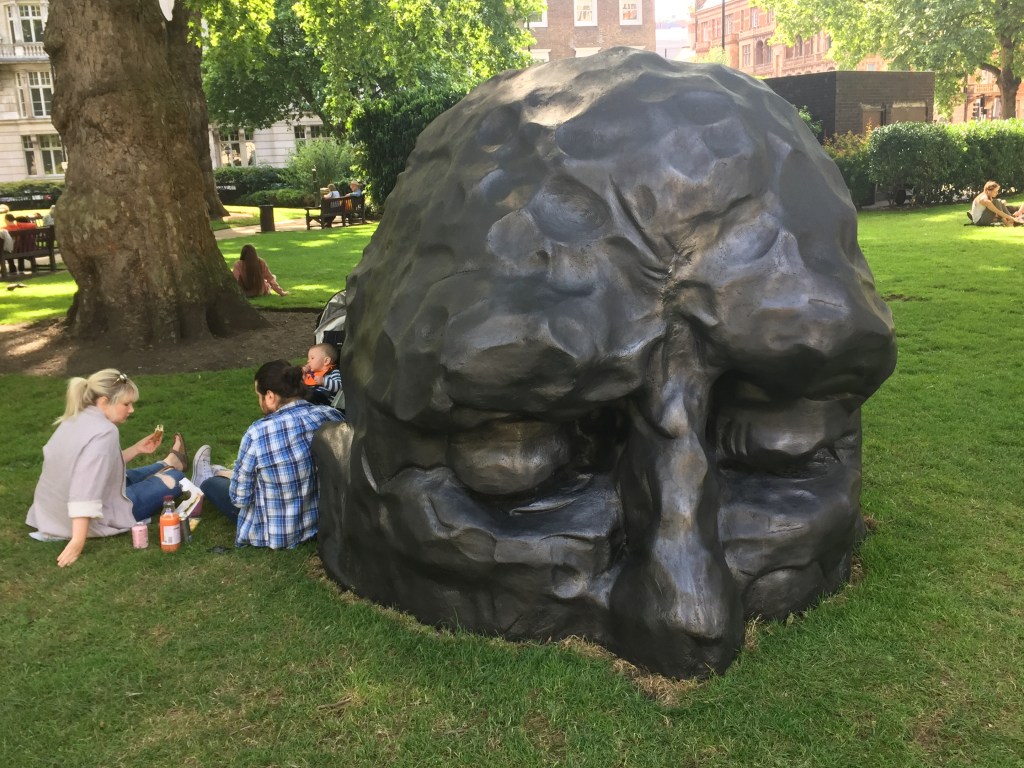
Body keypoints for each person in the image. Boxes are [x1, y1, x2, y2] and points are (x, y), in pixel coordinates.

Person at [25, 369, 189, 567]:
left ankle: (166, 463)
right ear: (104, 402)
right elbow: (84, 489)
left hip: (52, 512)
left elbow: (99, 465)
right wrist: (77, 541)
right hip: (85, 515)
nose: (131, 410)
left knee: (127, 475)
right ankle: (172, 467)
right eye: (126, 404)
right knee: (177, 479)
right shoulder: (105, 432)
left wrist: (136, 449)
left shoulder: (75, 417)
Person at [192, 359, 344, 549]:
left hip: (278, 534)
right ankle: (221, 472)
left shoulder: (257, 433)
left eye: (259, 395)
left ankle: (209, 476)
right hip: (320, 525)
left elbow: (240, 498)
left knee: (211, 484)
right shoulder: (330, 415)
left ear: (270, 396)